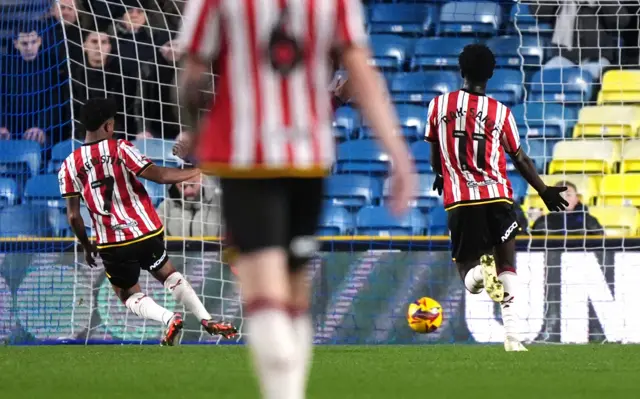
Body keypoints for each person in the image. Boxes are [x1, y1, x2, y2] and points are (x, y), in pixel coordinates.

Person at [175, 1, 416, 398]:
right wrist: (398, 154)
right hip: (308, 158)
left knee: (265, 292)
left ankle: (282, 388)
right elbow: (359, 69)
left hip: (244, 158)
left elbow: (192, 76)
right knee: (293, 292)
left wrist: (196, 129)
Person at [58, 98, 237, 346]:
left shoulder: (67, 166)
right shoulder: (121, 148)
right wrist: (198, 169)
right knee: (169, 274)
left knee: (128, 294)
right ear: (109, 126)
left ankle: (168, 318)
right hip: (146, 232)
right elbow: (162, 176)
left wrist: (87, 246)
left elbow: (73, 216)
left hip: (112, 242)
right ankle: (206, 319)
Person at [426, 44, 568, 352]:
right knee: (507, 266)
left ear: (461, 71)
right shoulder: (500, 112)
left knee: (467, 273)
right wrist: (543, 191)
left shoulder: (437, 106)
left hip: (460, 200)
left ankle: (479, 273)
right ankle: (513, 338)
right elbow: (520, 158)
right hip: (498, 198)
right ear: (490, 75)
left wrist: (441, 173)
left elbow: (436, 154)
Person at [156, 174, 221, 237]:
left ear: (202, 181)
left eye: (193, 185)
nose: (188, 191)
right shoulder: (167, 205)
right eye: (183, 186)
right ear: (176, 185)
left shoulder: (218, 203)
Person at [531, 180, 603, 236]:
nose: (564, 198)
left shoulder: (589, 221)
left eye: (568, 195)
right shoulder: (543, 222)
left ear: (577, 199)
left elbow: (602, 244)